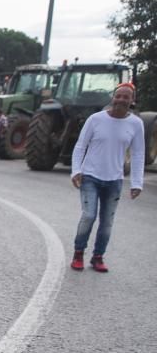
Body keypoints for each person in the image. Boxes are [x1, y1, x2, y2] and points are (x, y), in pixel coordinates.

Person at [69, 82, 144, 272]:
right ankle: (79, 253)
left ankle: (98, 257)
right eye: (118, 96)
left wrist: (137, 183)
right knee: (88, 215)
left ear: (132, 100)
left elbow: (138, 154)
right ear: (113, 98)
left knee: (107, 222)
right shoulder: (95, 119)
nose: (121, 100)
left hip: (114, 180)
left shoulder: (136, 124)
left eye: (126, 97)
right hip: (90, 176)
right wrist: (76, 170)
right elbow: (80, 146)